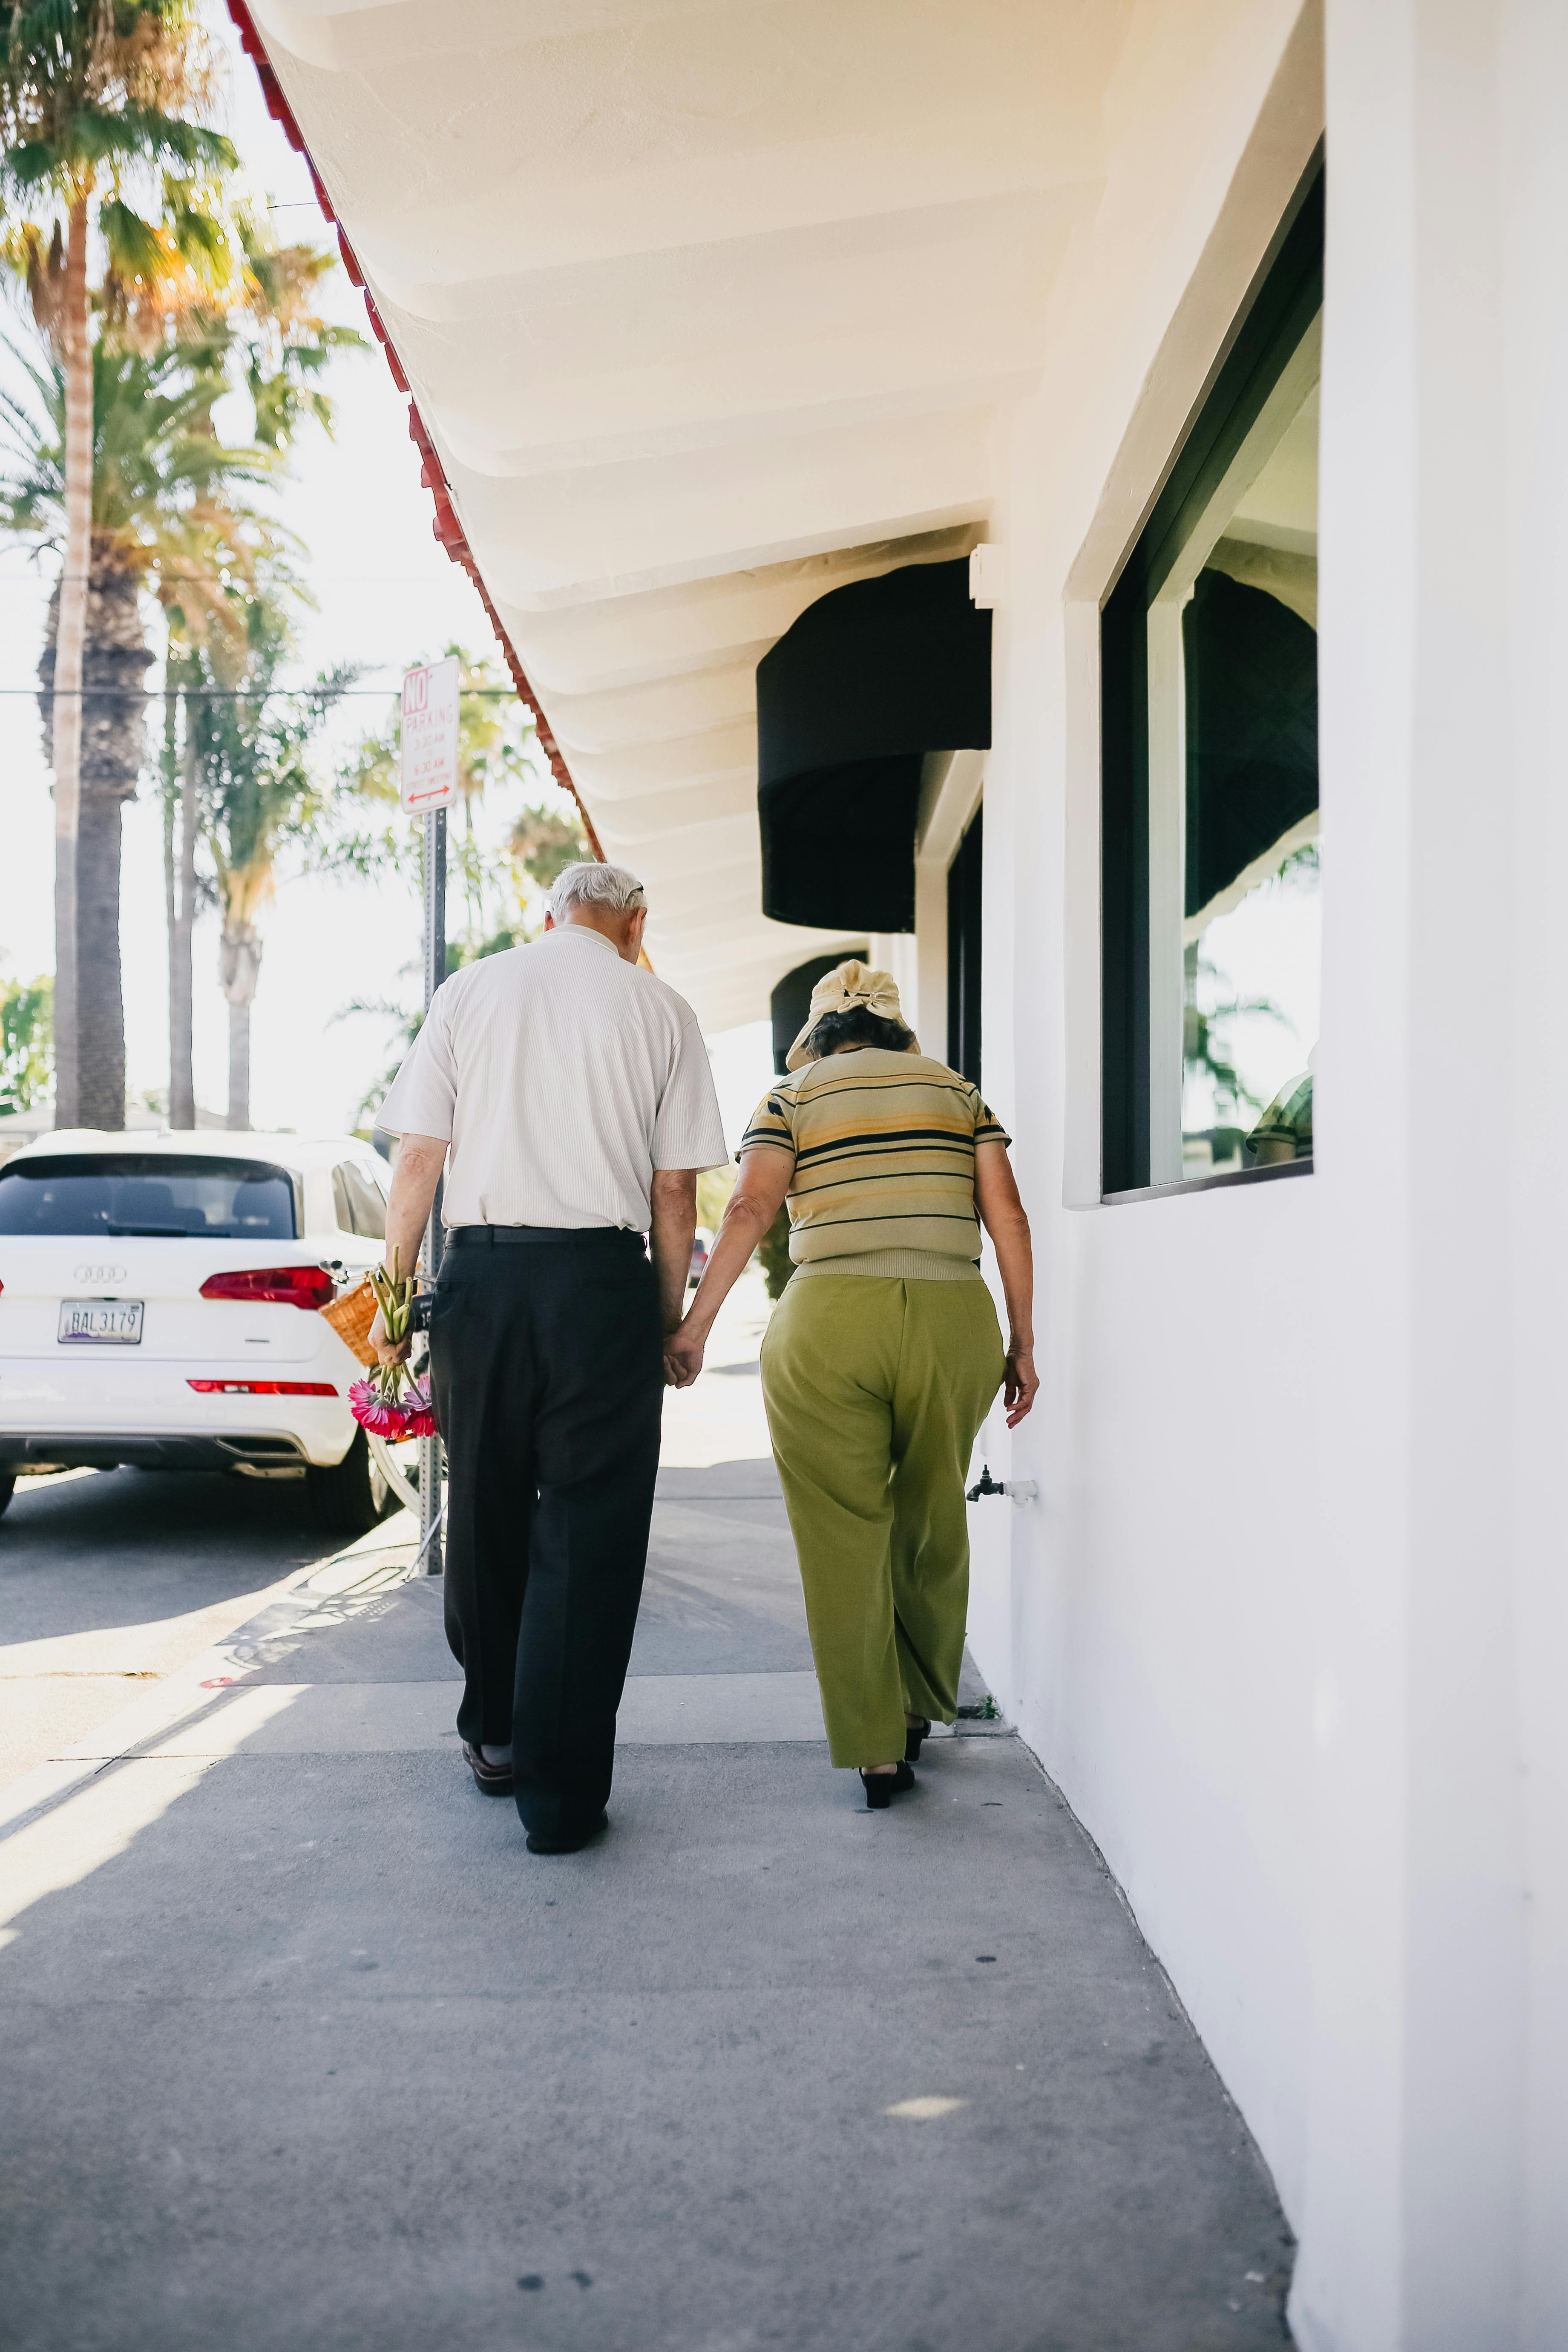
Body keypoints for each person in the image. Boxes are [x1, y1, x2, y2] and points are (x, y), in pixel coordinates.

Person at [372, 861, 727, 1854]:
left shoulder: (470, 991)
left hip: (482, 1283)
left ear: (547, 916)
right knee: (588, 1534)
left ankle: (493, 1732)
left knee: (485, 1506)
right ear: (633, 922)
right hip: (601, 1288)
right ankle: (560, 1800)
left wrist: (395, 1305)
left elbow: (414, 1163)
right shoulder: (661, 1008)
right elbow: (672, 1193)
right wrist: (663, 1319)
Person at [665, 961, 1037, 1809]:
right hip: (950, 1317)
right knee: (931, 1511)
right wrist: (1021, 1338)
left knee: (843, 1534)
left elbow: (750, 1209)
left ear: (816, 1037)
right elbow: (1006, 1215)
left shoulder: (789, 1096)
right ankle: (914, 1703)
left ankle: (874, 1751)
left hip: (826, 1322)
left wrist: (694, 1326)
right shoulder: (956, 1093)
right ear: (897, 1032)